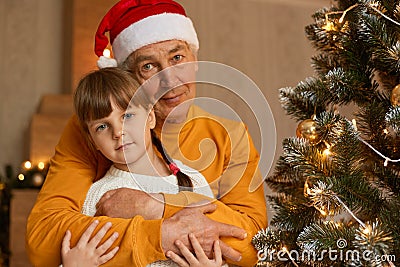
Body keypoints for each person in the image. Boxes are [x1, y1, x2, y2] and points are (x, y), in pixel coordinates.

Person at [26, 0, 267, 266]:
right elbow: (43, 240)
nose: (169, 79)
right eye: (148, 67)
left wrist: (156, 207)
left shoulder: (230, 136)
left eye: (177, 58)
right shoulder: (94, 129)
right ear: (129, 78)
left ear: (195, 60)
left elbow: (255, 246)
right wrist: (159, 236)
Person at [73, 67, 222, 266]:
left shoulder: (192, 181)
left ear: (150, 117)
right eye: (102, 126)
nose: (118, 132)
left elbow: (215, 248)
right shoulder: (97, 197)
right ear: (93, 142)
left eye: (127, 116)